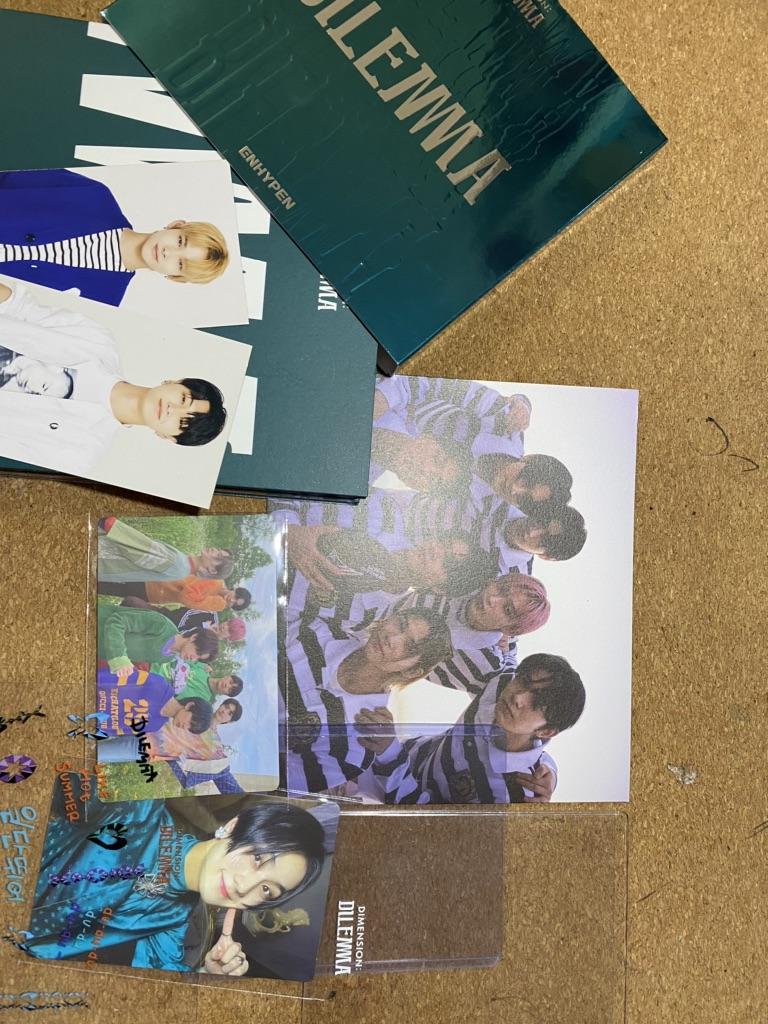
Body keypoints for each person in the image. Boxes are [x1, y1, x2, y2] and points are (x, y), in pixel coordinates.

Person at [28, 781, 326, 975]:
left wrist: (208, 974)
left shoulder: (173, 920)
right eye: (258, 858)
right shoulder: (139, 807)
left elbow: (157, 981)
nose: (244, 886)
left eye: (267, 890)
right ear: (233, 827)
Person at [0, 279, 228, 474]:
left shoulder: (81, 453)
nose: (172, 409)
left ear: (167, 437)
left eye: (182, 422)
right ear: (173, 382)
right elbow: (17, 306)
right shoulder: (98, 341)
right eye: (183, 399)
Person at [354, 653, 586, 804]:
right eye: (524, 681)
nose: (518, 697)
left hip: (385, 804)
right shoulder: (501, 683)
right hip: (389, 754)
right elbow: (507, 638)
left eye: (537, 703)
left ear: (546, 732)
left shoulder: (510, 798)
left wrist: (389, 753)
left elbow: (422, 822)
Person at [0, 168, 229, 306]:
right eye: (180, 241)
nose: (168, 252)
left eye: (180, 263)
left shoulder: (103, 300)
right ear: (175, 225)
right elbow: (12, 173)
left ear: (175, 277)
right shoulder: (93, 197)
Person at [98, 517, 233, 584]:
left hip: (101, 555)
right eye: (218, 550)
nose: (214, 550)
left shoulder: (178, 564)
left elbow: (140, 550)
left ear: (212, 570)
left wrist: (108, 524)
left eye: (218, 555)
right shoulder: (183, 570)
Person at [97, 604, 219, 679]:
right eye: (197, 652)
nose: (193, 658)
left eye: (198, 659)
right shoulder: (162, 625)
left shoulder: (166, 658)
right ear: (194, 637)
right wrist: (118, 656)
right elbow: (117, 621)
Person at [497, 506, 587, 574]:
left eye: (543, 541)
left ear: (546, 557)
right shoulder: (499, 493)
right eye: (542, 522)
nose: (532, 533)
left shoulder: (512, 581)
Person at [98, 576, 250, 613]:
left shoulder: (215, 603)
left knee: (107, 588)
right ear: (236, 589)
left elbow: (187, 600)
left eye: (233, 604)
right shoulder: (217, 579)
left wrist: (218, 603)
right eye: (236, 596)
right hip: (156, 576)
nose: (231, 600)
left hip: (154, 594)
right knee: (110, 572)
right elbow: (187, 593)